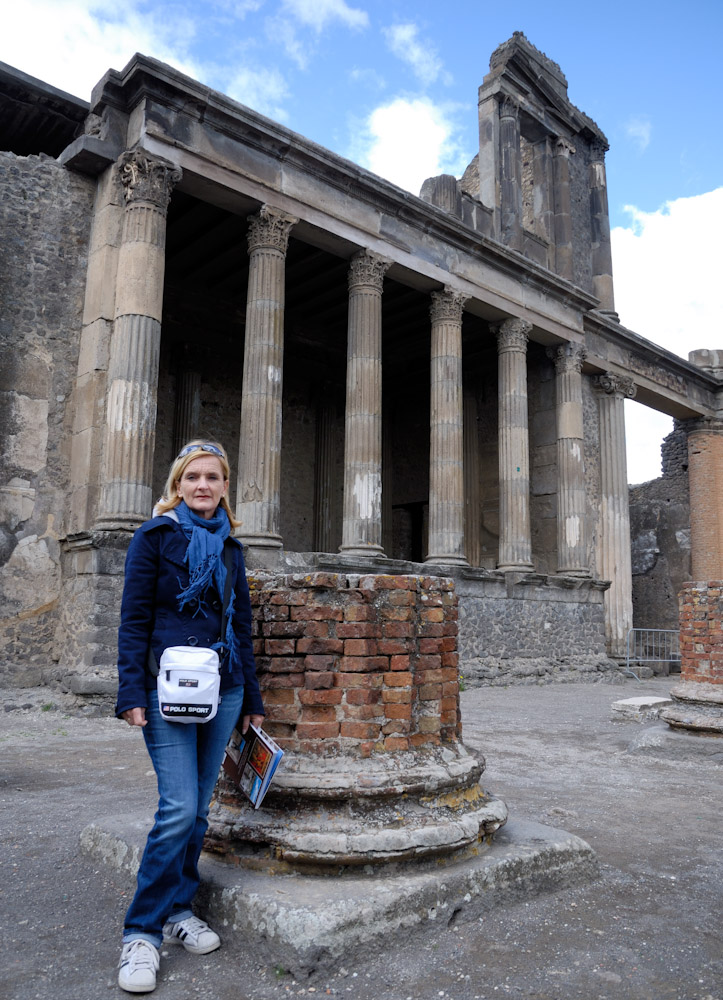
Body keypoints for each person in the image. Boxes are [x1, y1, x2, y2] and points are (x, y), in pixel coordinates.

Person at [114, 440, 264, 993]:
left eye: (213, 478)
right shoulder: (153, 539)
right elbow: (133, 621)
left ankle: (180, 909)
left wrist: (250, 699)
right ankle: (142, 933)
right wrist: (130, 691)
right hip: (166, 689)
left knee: (200, 810)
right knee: (177, 808)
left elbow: (241, 626)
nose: (203, 485)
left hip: (222, 689)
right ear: (177, 484)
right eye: (193, 477)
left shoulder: (232, 550)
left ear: (225, 487)